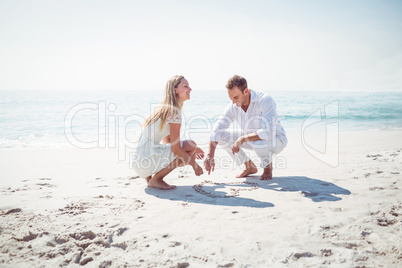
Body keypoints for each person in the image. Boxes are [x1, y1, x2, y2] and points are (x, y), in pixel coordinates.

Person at [204, 75, 287, 180]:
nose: (233, 102)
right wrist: (210, 155)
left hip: (276, 140)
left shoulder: (265, 100)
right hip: (252, 139)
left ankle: (267, 168)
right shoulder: (234, 105)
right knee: (221, 136)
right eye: (231, 98)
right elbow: (218, 128)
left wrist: (243, 139)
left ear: (246, 91)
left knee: (259, 143)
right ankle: (249, 166)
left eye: (236, 97)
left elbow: (269, 131)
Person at [132, 75, 204, 190]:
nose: (190, 89)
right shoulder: (174, 112)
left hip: (139, 165)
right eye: (186, 86)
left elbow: (167, 142)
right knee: (191, 145)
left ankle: (151, 179)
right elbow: (175, 149)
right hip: (146, 163)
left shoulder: (163, 110)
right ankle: (156, 180)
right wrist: (195, 165)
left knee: (189, 150)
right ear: (175, 90)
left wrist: (191, 153)